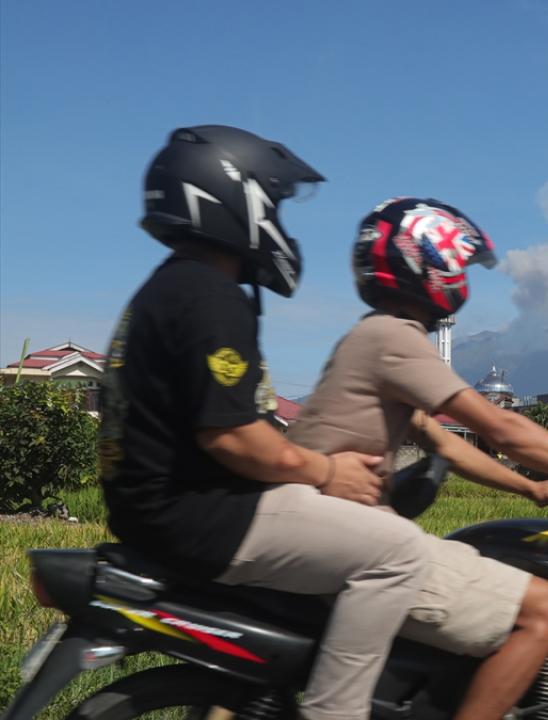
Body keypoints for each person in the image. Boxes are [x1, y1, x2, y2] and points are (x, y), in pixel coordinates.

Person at [286, 196, 548, 720]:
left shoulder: (369, 336)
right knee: (545, 610)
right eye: (455, 264)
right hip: (353, 540)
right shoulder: (393, 337)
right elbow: (501, 427)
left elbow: (448, 445)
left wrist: (534, 489)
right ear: (427, 263)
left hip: (332, 535)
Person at [99, 126, 433, 720]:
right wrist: (327, 471)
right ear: (234, 200)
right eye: (274, 204)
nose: (280, 221)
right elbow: (232, 436)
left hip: (158, 507)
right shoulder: (209, 295)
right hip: (199, 514)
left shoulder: (172, 286)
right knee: (399, 552)